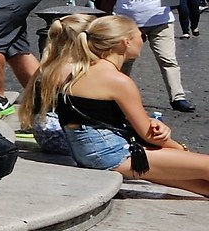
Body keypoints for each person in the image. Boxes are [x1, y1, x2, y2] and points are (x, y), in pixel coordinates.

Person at [24, 14, 209, 195]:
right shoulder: (118, 81)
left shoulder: (78, 72)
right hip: (113, 154)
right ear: (125, 42)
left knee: (199, 185)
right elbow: (148, 134)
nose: (142, 41)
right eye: (140, 36)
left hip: (87, 153)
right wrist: (181, 150)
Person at [97, 0, 194, 113]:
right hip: (129, 25)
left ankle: (178, 97)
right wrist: (105, 20)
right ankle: (116, 95)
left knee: (168, 59)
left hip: (161, 21)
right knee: (124, 61)